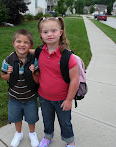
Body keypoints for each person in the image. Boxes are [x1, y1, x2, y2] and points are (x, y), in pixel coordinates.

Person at [36, 17, 79, 147]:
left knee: (65, 122)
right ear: (41, 35)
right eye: (45, 32)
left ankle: (70, 142)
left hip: (62, 99)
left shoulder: (68, 57)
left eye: (53, 31)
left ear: (60, 32)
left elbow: (75, 80)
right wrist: (18, 52)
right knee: (47, 120)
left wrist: (69, 100)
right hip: (44, 97)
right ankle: (48, 137)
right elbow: (28, 52)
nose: (49, 34)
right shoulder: (39, 52)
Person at [1, 29, 40, 147]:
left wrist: (34, 72)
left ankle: (32, 134)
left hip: (31, 97)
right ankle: (19, 133)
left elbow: (38, 80)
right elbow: (3, 76)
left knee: (31, 118)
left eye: (26, 42)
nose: (22, 45)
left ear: (31, 45)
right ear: (13, 43)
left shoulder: (34, 61)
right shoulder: (7, 61)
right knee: (16, 117)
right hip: (14, 98)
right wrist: (8, 73)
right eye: (18, 41)